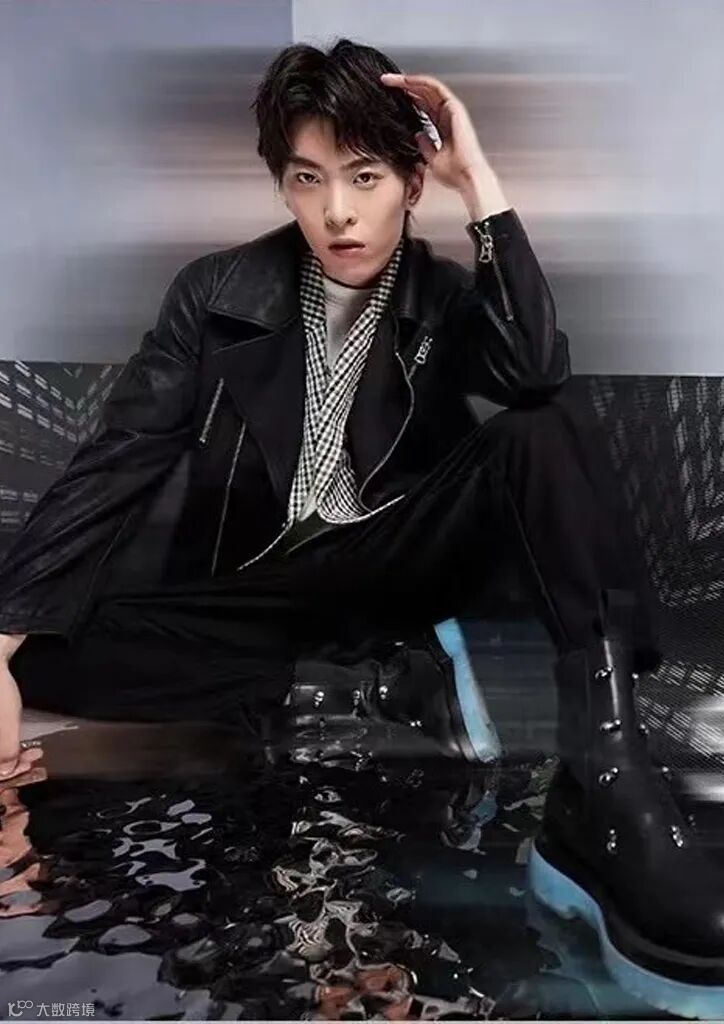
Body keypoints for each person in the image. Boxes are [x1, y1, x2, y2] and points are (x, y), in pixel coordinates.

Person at [0, 37, 721, 1015]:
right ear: (284, 186)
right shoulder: (218, 293)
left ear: (411, 182)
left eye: (365, 176)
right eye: (308, 179)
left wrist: (480, 185)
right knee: (44, 654)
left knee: (536, 425)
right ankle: (356, 685)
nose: (336, 210)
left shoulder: (442, 294)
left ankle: (608, 764)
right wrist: (1, 640)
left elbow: (535, 369)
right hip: (259, 590)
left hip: (389, 560)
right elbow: (123, 454)